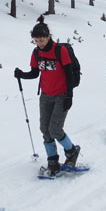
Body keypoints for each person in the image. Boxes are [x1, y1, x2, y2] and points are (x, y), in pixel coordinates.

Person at [14, 16, 81, 177]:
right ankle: (53, 160)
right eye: (36, 40)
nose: (39, 43)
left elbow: (69, 74)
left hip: (62, 95)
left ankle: (71, 151)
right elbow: (35, 73)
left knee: (55, 129)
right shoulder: (36, 52)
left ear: (49, 36)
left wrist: (69, 96)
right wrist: (21, 74)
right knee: (45, 129)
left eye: (42, 40)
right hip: (45, 95)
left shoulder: (60, 50)